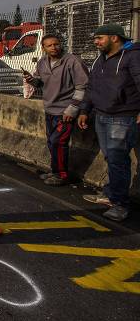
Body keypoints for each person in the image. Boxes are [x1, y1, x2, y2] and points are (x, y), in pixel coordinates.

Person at [78, 23, 140, 222]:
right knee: (110, 158)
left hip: (122, 116)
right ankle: (110, 194)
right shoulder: (100, 59)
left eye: (100, 38)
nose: (96, 42)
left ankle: (120, 204)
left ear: (115, 38)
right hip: (102, 115)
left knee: (117, 159)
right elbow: (91, 87)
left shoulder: (132, 56)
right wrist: (84, 110)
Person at [23, 34, 89, 186]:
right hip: (50, 110)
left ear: (61, 44)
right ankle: (55, 171)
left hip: (65, 111)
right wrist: (31, 79)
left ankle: (61, 175)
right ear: (43, 48)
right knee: (51, 142)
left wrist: (72, 109)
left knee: (58, 142)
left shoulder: (72, 61)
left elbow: (83, 87)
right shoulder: (42, 63)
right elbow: (40, 84)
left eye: (56, 44)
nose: (54, 47)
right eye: (49, 45)